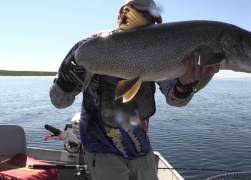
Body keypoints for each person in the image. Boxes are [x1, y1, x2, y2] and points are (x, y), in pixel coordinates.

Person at [49, 0, 220, 179]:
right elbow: (58, 101)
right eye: (140, 14)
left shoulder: (159, 50)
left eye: (151, 19)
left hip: (141, 149)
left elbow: (175, 100)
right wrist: (67, 79)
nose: (146, 23)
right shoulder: (90, 47)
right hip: (101, 150)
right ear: (122, 14)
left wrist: (186, 84)